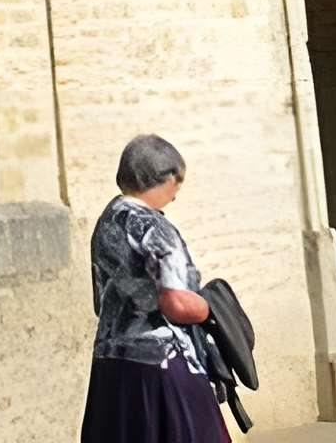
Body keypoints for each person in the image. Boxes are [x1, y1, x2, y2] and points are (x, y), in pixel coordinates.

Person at [83, 134, 223, 443]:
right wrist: (212, 308)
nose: (175, 194)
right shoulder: (153, 226)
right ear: (163, 178)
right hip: (162, 362)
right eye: (177, 182)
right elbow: (176, 303)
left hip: (112, 361)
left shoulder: (108, 221)